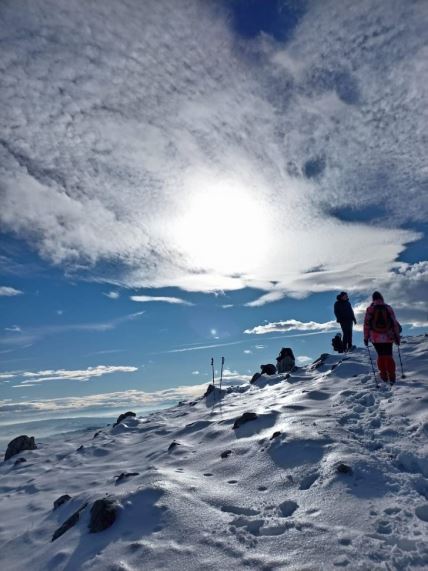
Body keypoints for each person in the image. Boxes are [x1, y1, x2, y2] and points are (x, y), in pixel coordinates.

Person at [363, 291, 401, 384]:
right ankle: (392, 376)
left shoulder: (370, 309)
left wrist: (366, 337)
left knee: (381, 355)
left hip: (375, 337)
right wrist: (397, 337)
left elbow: (366, 324)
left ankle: (383, 375)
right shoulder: (388, 308)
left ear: (373, 299)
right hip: (388, 336)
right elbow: (394, 323)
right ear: (382, 298)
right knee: (388, 355)